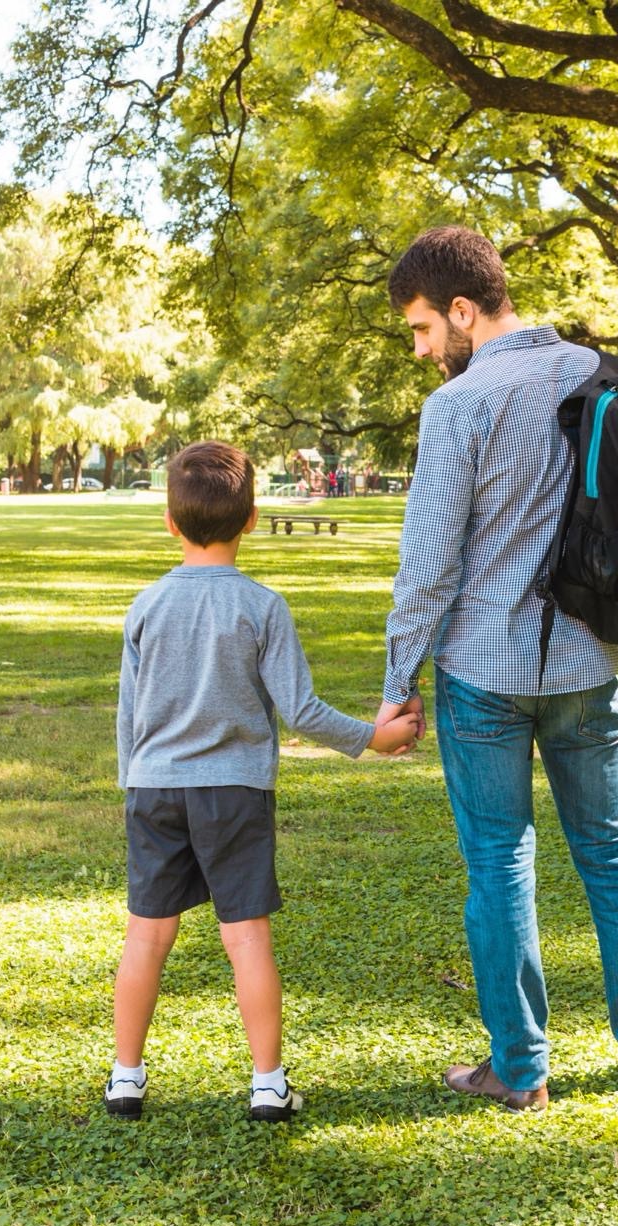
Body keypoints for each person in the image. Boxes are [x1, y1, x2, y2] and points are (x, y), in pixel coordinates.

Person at [375, 226, 618, 1112]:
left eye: (423, 328)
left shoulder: (459, 405)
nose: (422, 349)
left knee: (499, 864)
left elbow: (429, 566)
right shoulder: (597, 375)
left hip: (483, 673)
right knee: (613, 854)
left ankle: (520, 1069)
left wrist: (398, 681)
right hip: (587, 664)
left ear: (463, 310)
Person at [108, 441, 419, 1123]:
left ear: (169, 521)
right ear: (251, 519)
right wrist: (372, 738)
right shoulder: (262, 606)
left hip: (152, 790)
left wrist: (134, 784)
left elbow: (129, 716)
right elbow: (300, 710)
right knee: (246, 938)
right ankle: (267, 1085)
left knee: (145, 937)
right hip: (234, 794)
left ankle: (125, 1078)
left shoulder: (145, 604)